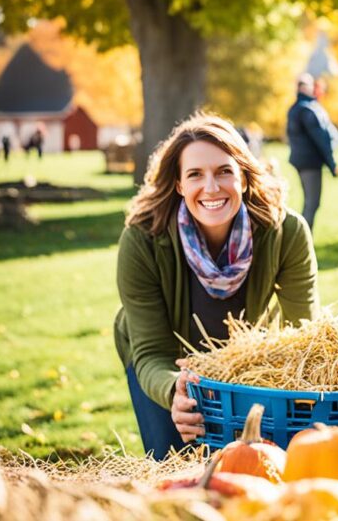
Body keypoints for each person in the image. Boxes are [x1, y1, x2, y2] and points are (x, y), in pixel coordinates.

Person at [114, 112, 320, 459]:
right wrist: (173, 391)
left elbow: (303, 334)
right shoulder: (143, 240)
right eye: (195, 175)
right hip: (164, 365)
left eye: (224, 171)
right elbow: (151, 352)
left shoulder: (286, 233)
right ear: (179, 184)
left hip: (244, 363)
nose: (211, 188)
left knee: (254, 463)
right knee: (175, 464)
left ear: (243, 177)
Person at [287, 73, 338, 231]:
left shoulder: (294, 109)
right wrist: (332, 164)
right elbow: (321, 139)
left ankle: (300, 240)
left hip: (299, 161)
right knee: (312, 203)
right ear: (305, 88)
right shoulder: (309, 109)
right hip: (310, 163)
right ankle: (302, 241)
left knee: (308, 202)